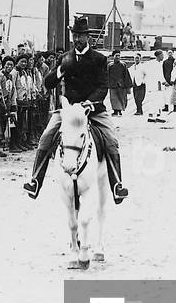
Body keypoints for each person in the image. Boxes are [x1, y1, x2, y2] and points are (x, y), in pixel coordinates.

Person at [23, 16, 128, 204]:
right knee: (46, 137)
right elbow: (48, 83)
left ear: (87, 37)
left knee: (111, 140)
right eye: (75, 36)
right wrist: (60, 70)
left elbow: (103, 87)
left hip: (93, 109)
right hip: (69, 109)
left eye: (81, 36)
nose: (77, 39)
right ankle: (35, 182)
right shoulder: (65, 58)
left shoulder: (99, 59)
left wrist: (89, 102)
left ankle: (117, 186)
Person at [107, 50, 132, 116]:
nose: (118, 57)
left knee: (121, 98)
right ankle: (115, 111)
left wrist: (128, 85)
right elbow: (107, 75)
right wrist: (107, 84)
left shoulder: (123, 65)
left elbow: (126, 75)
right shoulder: (110, 65)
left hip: (121, 85)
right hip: (113, 85)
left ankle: (120, 110)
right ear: (113, 56)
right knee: (114, 99)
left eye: (119, 56)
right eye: (116, 56)